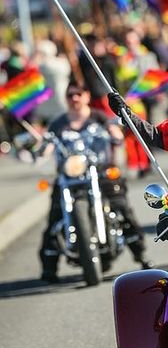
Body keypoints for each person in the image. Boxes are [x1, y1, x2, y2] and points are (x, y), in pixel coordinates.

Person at [39, 82, 151, 283]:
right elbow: (47, 144)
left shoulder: (99, 118)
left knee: (122, 208)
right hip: (70, 176)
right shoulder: (58, 123)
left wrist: (114, 133)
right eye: (70, 95)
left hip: (101, 173)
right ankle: (49, 267)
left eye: (78, 93)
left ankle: (141, 255)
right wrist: (41, 149)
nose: (74, 98)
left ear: (87, 96)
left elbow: (115, 133)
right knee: (54, 216)